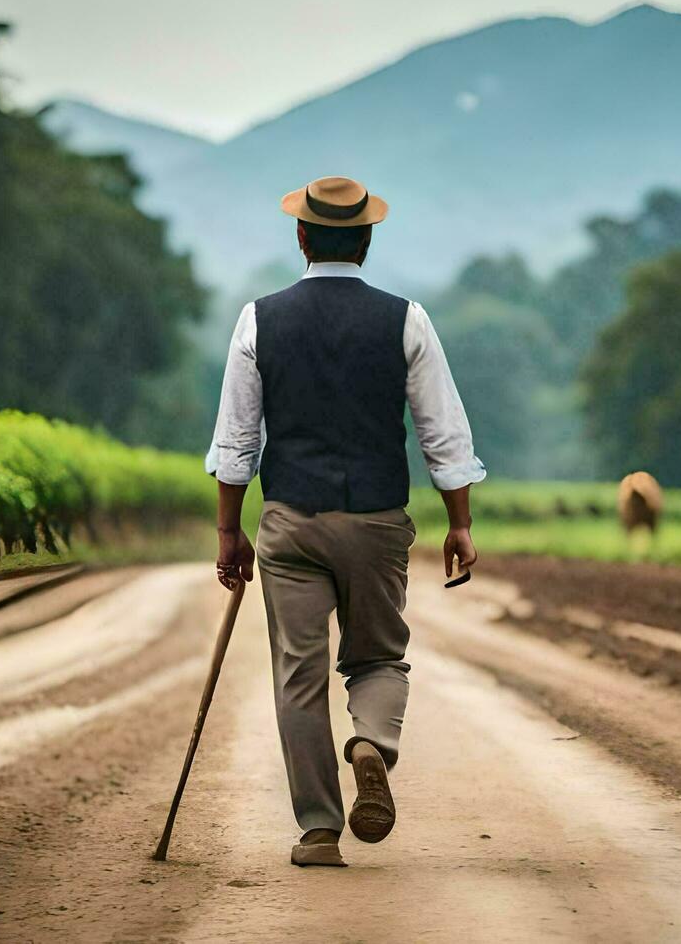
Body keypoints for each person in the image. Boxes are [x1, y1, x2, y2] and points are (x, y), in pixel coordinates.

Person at [205, 176, 485, 867]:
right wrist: (460, 523)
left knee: (298, 676)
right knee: (379, 658)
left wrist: (227, 532)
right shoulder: (406, 319)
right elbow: (442, 435)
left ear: (302, 236)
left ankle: (319, 831)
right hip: (376, 520)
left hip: (290, 521)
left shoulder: (258, 319)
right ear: (365, 240)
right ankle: (371, 744)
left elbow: (237, 441)